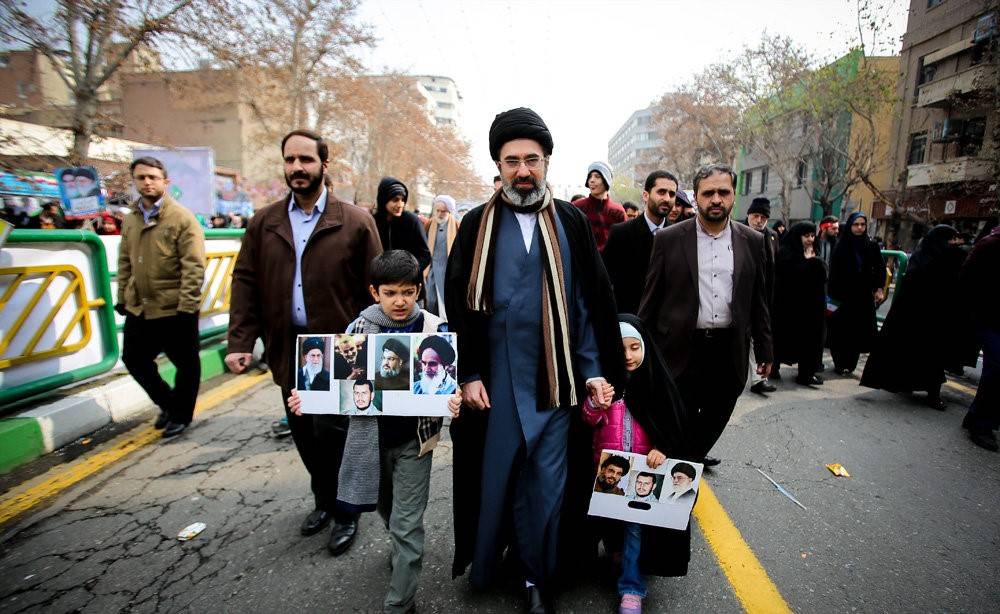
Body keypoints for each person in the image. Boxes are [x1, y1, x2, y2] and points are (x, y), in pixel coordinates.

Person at [445, 107, 625, 613]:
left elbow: (586, 305)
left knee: (548, 486)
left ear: (546, 162)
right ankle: (491, 563)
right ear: (498, 166)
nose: (522, 171)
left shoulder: (569, 220)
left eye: (532, 160)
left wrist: (593, 372)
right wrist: (469, 373)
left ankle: (536, 576)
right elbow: (459, 305)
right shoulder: (476, 224)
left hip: (556, 380)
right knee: (496, 481)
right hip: (496, 384)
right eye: (512, 161)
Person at [226, 129, 382, 553]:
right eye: (290, 159)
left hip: (341, 347)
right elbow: (245, 281)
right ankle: (324, 500)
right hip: (288, 346)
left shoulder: (355, 221)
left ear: (324, 165)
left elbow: (377, 288)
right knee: (303, 431)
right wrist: (241, 341)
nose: (297, 167)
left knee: (335, 432)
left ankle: (346, 511)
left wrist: (376, 343)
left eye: (306, 160)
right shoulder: (264, 223)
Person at [289, 249, 462, 613]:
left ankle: (400, 603)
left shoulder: (435, 329)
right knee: (388, 510)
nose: (400, 301)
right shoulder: (358, 330)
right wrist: (308, 398)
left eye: (408, 292)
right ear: (374, 292)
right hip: (370, 442)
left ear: (419, 290)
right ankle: (399, 547)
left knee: (407, 524)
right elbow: (336, 385)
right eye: (390, 293)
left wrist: (454, 398)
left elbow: (447, 382)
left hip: (416, 442)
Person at [639, 163, 772, 467]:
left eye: (723, 192)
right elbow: (651, 299)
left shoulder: (753, 241)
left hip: (728, 351)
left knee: (712, 420)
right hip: (679, 349)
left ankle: (688, 462)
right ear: (696, 196)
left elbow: (759, 300)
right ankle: (682, 477)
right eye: (708, 193)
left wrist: (765, 349)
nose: (716, 199)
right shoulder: (669, 239)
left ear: (733, 195)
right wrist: (638, 348)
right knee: (677, 421)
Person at [582, 315, 693, 614]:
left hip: (643, 476)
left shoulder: (656, 384)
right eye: (621, 349)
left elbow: (671, 424)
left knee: (634, 528)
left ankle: (631, 588)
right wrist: (595, 404)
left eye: (635, 347)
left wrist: (662, 448)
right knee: (610, 522)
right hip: (608, 473)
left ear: (645, 347)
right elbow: (587, 421)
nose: (628, 356)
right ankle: (618, 553)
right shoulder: (605, 384)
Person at [116, 156, 206, 439]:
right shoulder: (131, 219)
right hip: (140, 306)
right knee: (134, 359)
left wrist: (188, 306)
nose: (147, 182)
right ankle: (168, 403)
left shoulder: (181, 218)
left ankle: (181, 415)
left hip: (175, 306)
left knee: (186, 364)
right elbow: (124, 261)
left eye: (153, 177)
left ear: (165, 182)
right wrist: (122, 296)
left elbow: (194, 266)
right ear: (134, 181)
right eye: (141, 177)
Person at [861, 225, 967, 409]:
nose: (954, 243)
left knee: (930, 358)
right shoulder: (927, 260)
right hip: (919, 320)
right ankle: (924, 391)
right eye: (950, 239)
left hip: (934, 320)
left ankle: (927, 391)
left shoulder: (938, 258)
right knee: (924, 357)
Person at [602, 170, 677, 315]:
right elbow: (605, 279)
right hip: (629, 318)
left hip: (667, 320)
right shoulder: (621, 233)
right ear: (646, 195)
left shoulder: (678, 235)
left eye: (672, 194)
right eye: (661, 192)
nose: (667, 198)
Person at [827, 212, 885, 375]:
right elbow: (834, 273)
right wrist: (831, 298)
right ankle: (839, 363)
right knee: (840, 331)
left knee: (857, 331)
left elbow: (880, 268)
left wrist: (879, 288)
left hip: (862, 296)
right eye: (856, 224)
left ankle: (850, 364)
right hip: (842, 296)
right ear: (850, 226)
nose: (859, 228)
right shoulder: (841, 246)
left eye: (862, 224)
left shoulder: (871, 246)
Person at [959, 224, 1000, 451]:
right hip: (989, 318)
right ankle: (982, 424)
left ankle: (977, 416)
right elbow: (966, 279)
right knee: (997, 368)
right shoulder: (990, 244)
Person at [772, 222, 827, 386]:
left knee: (811, 340)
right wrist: (810, 261)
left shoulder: (814, 251)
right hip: (789, 305)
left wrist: (813, 260)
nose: (810, 239)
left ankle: (806, 373)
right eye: (806, 236)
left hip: (812, 306)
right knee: (781, 338)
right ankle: (773, 368)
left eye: (812, 235)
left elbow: (823, 275)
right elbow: (793, 276)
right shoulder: (786, 253)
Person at [743, 198, 779, 395]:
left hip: (764, 296)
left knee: (759, 336)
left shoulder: (772, 237)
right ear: (748, 215)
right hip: (742, 296)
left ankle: (758, 379)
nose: (759, 220)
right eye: (755, 216)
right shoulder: (738, 232)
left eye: (763, 217)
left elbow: (775, 268)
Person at [372, 176, 432, 284]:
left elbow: (425, 255)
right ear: (383, 200)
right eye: (395, 200)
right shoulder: (373, 222)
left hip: (409, 285)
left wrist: (408, 275)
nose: (400, 204)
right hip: (383, 285)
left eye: (403, 200)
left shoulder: (412, 221)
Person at [572, 161, 626, 252]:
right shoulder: (576, 207)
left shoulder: (618, 211)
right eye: (590, 176)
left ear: (606, 180)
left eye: (597, 176)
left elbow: (625, 243)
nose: (592, 180)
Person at [424, 194, 459, 319]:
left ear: (449, 211)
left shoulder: (456, 225)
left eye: (443, 211)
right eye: (437, 210)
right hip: (432, 268)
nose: (439, 214)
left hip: (448, 269)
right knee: (431, 299)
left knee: (446, 300)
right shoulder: (429, 224)